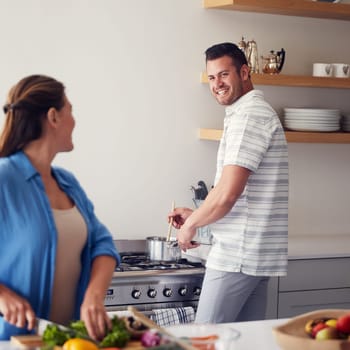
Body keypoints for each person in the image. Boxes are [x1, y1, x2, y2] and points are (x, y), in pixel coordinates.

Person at [169, 42, 288, 323]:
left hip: (237, 255)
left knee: (204, 341)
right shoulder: (247, 113)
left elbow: (228, 195)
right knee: (241, 343)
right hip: (253, 256)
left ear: (244, 72)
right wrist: (195, 214)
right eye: (211, 77)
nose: (217, 84)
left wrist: (191, 226)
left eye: (224, 75)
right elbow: (225, 188)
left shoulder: (249, 116)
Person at [0, 75, 120, 340]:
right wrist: (3, 295)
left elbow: (103, 242)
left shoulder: (67, 182)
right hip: (13, 342)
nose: (75, 121)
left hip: (67, 341)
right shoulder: (4, 179)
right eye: (71, 111)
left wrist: (94, 296)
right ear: (53, 117)